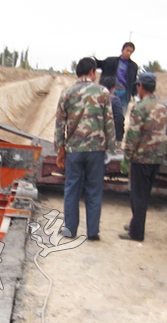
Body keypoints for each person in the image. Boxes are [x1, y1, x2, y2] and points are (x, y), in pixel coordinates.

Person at [55, 57, 116, 241]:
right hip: (96, 149)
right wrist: (111, 148)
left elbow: (60, 124)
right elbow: (109, 122)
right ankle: (92, 232)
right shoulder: (103, 92)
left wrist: (60, 149)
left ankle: (70, 230)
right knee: (94, 189)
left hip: (74, 149)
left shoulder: (67, 93)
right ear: (91, 72)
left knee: (72, 188)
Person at [119, 72, 167, 242]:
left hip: (141, 158)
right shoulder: (163, 105)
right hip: (157, 157)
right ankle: (135, 224)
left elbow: (133, 136)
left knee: (137, 196)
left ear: (140, 87)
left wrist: (126, 158)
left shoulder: (140, 108)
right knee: (145, 194)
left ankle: (136, 233)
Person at [95, 42, 138, 114]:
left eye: (131, 52)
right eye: (127, 50)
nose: (129, 53)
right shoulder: (110, 61)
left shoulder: (133, 66)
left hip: (124, 93)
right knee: (108, 111)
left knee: (121, 113)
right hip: (111, 90)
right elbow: (99, 64)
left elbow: (134, 81)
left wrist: (134, 95)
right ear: (122, 50)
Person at [99, 75, 125, 143]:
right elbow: (119, 119)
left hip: (96, 139)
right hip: (111, 138)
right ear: (112, 89)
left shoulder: (94, 99)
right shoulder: (114, 100)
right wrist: (119, 138)